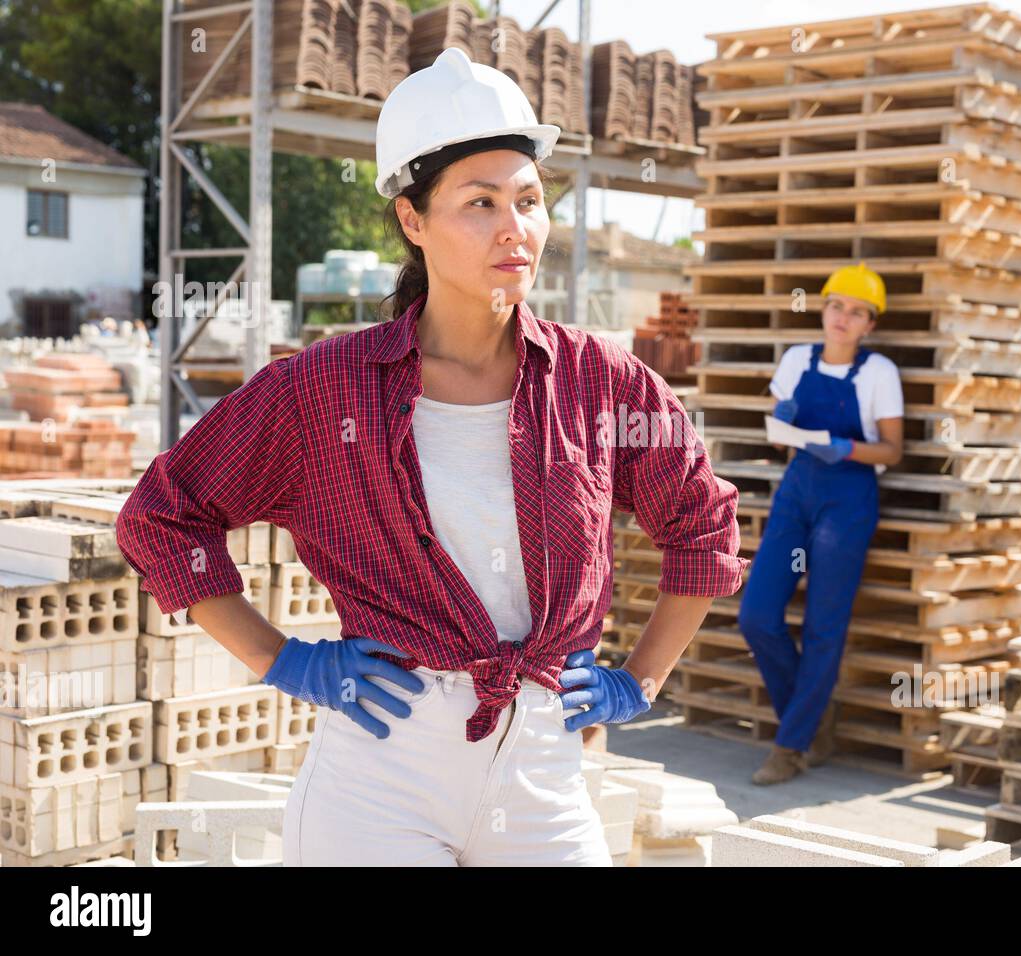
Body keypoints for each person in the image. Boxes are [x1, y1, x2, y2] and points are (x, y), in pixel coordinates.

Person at [115, 48, 746, 865]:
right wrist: (285, 660)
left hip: (544, 768)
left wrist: (643, 679)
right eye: (478, 203)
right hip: (383, 773)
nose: (514, 227)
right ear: (413, 221)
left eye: (528, 198)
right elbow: (163, 516)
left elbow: (702, 526)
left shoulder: (601, 382)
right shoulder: (325, 388)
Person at [737, 263, 904, 785]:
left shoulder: (879, 373)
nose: (843, 318)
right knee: (757, 615)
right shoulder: (796, 360)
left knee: (823, 626)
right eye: (837, 306)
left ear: (869, 325)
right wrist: (782, 423)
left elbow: (893, 450)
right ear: (823, 308)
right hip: (797, 490)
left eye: (857, 312)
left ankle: (789, 747)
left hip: (849, 496)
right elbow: (778, 435)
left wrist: (847, 448)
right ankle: (809, 722)